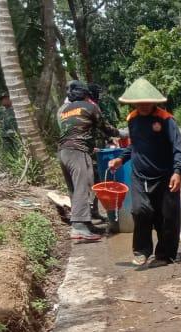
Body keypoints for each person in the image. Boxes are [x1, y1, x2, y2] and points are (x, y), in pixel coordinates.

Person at [108, 78, 181, 268]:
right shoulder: (133, 119)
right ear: (133, 103)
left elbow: (178, 148)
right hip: (140, 175)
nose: (143, 106)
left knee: (167, 216)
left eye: (146, 102)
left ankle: (165, 255)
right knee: (140, 210)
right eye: (139, 103)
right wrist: (121, 159)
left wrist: (178, 171)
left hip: (165, 175)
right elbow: (135, 146)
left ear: (153, 101)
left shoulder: (166, 120)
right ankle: (142, 250)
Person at [58, 80, 120, 242]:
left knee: (74, 189)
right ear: (86, 94)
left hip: (63, 152)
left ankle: (86, 224)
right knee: (82, 188)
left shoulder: (66, 110)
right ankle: (79, 228)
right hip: (78, 151)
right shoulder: (89, 107)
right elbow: (105, 128)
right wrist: (122, 133)